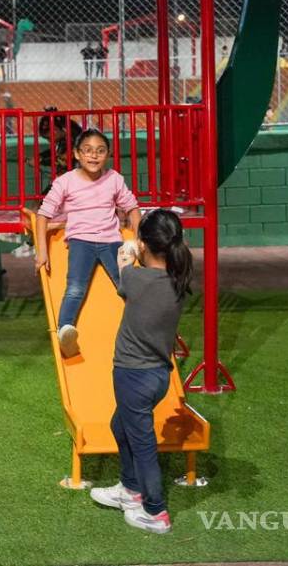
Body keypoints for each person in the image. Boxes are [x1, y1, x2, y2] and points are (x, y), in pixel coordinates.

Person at [89, 209, 193, 535]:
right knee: (119, 425)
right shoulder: (178, 280)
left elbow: (122, 262)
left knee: (143, 445)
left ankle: (155, 511)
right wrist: (140, 246)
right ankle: (130, 488)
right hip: (158, 376)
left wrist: (129, 248)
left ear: (146, 244)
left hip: (133, 376)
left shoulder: (135, 279)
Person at [33, 129, 141, 358]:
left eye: (100, 151)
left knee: (127, 286)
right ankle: (65, 332)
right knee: (75, 288)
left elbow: (132, 207)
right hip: (81, 241)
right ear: (76, 154)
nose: (94, 156)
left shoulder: (114, 179)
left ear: (108, 155)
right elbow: (42, 215)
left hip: (111, 241)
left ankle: (143, 330)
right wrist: (42, 252)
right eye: (88, 151)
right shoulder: (65, 181)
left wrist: (139, 240)